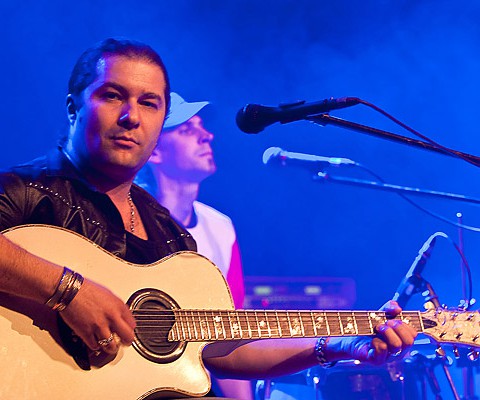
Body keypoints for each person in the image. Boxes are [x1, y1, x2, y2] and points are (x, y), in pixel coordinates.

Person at [0, 38, 417, 399]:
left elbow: (223, 348)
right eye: (112, 96)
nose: (131, 116)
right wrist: (69, 291)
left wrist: (336, 345)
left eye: (149, 103)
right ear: (73, 108)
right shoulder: (26, 192)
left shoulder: (169, 235)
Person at [136, 93, 250, 398]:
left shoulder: (221, 227)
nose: (207, 135)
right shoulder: (123, 216)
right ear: (155, 152)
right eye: (187, 130)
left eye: (202, 126)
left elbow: (229, 337)